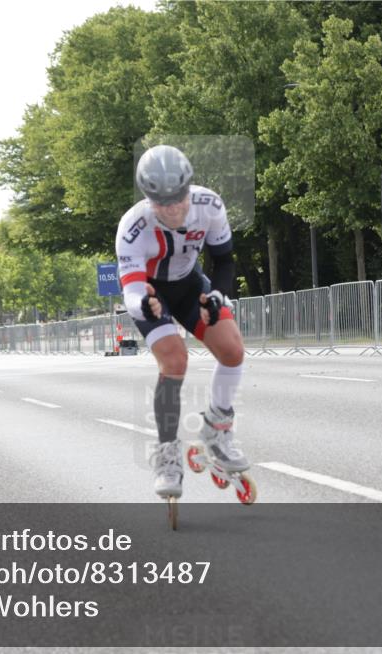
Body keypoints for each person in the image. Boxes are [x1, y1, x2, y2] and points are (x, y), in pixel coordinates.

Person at [115, 145, 248, 499]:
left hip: (190, 285)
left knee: (233, 351)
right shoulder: (133, 226)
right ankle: (167, 455)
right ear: (148, 199)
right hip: (151, 294)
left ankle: (217, 429)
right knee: (175, 360)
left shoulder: (210, 206)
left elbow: (224, 262)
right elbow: (130, 291)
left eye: (178, 198)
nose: (173, 208)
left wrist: (218, 297)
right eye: (162, 203)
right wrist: (144, 302)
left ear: (189, 188)